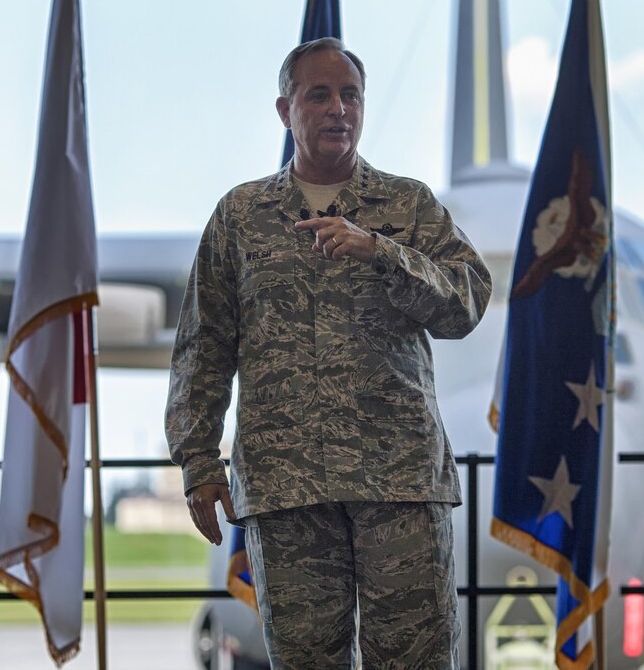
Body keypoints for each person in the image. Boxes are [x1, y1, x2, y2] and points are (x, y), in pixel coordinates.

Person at [165, 37, 492, 668]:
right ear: (285, 110)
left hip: (397, 481)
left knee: (415, 660)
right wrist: (198, 460)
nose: (338, 108)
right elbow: (203, 347)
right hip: (288, 487)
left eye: (350, 95)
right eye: (319, 95)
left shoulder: (408, 205)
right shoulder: (240, 216)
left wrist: (382, 251)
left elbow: (467, 303)